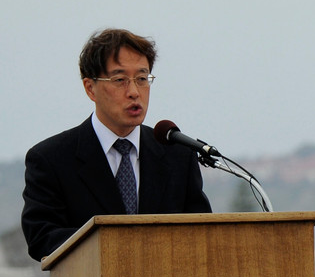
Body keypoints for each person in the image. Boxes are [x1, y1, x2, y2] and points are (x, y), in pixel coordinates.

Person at [22, 28, 211, 261]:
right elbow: (42, 237)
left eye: (142, 79)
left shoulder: (178, 154)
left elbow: (201, 234)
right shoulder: (51, 159)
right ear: (90, 88)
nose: (134, 92)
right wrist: (119, 248)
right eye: (120, 80)